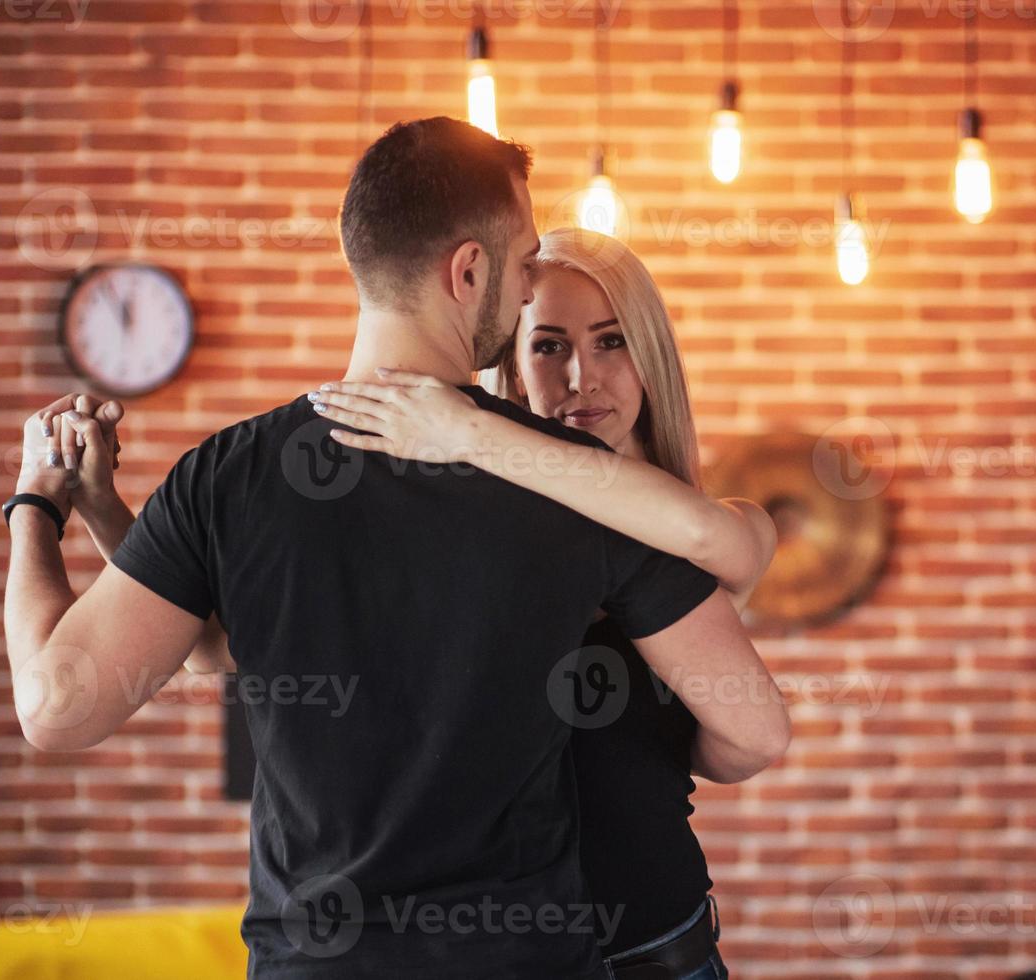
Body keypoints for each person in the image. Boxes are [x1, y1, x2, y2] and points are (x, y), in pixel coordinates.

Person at [3, 117, 790, 980]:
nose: (528, 288)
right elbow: (753, 724)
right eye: (523, 263)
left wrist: (39, 506)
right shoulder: (574, 485)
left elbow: (61, 707)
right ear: (468, 271)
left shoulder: (227, 477)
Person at [301, 227, 776, 978]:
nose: (582, 376)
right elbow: (223, 646)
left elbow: (703, 541)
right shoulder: (475, 538)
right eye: (549, 345)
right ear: (515, 369)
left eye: (612, 341)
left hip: (661, 953)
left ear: (651, 356)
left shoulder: (723, 524)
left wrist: (467, 430)